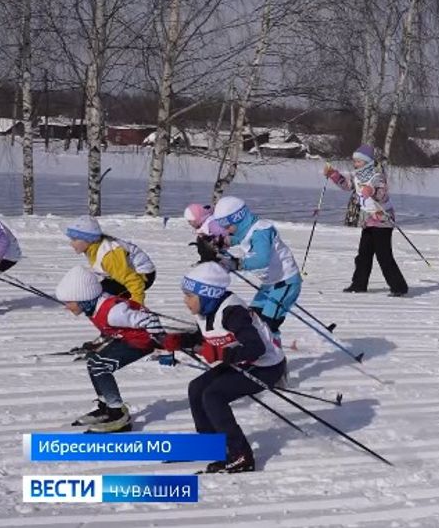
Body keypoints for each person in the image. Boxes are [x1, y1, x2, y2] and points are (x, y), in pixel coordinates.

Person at [162, 262, 287, 473]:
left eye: (190, 296)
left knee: (214, 395)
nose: (185, 301)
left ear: (208, 295)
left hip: (266, 366)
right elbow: (210, 335)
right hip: (241, 362)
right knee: (197, 388)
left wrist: (221, 354)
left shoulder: (233, 312)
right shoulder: (206, 310)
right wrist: (181, 341)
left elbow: (255, 347)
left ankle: (241, 455)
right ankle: (209, 446)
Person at [55, 265, 164, 433]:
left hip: (142, 342)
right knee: (93, 362)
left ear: (83, 298)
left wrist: (162, 342)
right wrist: (96, 344)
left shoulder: (114, 311)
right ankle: (106, 406)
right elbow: (109, 330)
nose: (66, 306)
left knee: (101, 365)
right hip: (126, 338)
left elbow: (150, 320)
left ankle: (118, 415)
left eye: (69, 302)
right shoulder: (93, 307)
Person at [323, 144, 409, 297]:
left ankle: (399, 287)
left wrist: (372, 191)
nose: (355, 164)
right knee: (363, 254)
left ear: (368, 162)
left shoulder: (377, 176)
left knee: (383, 255)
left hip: (383, 220)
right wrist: (333, 175)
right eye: (355, 161)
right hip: (368, 220)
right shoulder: (358, 176)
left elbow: (382, 193)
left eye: (359, 162)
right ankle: (359, 284)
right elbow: (347, 185)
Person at [211, 196, 301, 338]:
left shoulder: (262, 231)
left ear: (239, 218)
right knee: (254, 319)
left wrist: (237, 264)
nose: (227, 231)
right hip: (270, 283)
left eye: (228, 227)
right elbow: (242, 239)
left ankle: (275, 358)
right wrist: (223, 243)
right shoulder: (249, 229)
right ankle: (259, 353)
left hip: (285, 282)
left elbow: (261, 259)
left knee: (268, 324)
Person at [65, 216, 156, 304]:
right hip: (124, 273)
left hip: (142, 275)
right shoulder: (93, 249)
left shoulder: (109, 256)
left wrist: (138, 303)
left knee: (105, 296)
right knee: (96, 291)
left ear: (89, 239)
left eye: (74, 239)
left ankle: (117, 309)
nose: (71, 244)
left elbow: (133, 280)